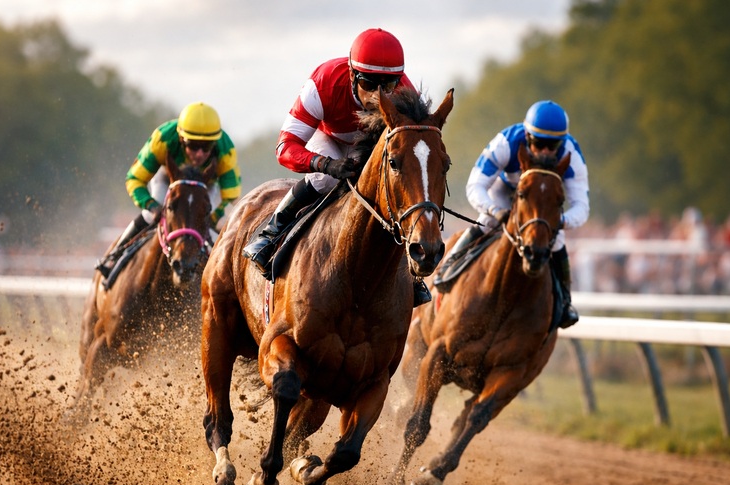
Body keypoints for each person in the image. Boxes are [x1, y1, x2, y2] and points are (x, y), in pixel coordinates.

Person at [242, 28, 432, 306]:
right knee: (324, 181)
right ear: (353, 75)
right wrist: (326, 164)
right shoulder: (323, 83)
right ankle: (272, 233)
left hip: (373, 145)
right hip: (329, 138)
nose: (379, 95)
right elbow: (285, 147)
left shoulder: (405, 92)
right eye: (369, 83)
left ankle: (410, 275)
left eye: (388, 85)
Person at [438, 100, 589, 328]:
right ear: (528, 137)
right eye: (540, 144)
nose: (547, 152)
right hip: (505, 190)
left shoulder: (571, 154)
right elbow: (475, 185)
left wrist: (559, 221)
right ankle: (449, 266)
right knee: (487, 221)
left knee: (556, 238)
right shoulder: (507, 142)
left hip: (542, 202)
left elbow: (582, 206)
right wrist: (496, 210)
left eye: (553, 145)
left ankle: (565, 300)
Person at [95, 102, 242, 277]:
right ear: (181, 139)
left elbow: (231, 194)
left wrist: (211, 217)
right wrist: (151, 205)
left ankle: (233, 277)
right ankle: (115, 257)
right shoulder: (163, 138)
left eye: (207, 147)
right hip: (168, 178)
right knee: (150, 215)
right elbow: (135, 179)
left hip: (205, 186)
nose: (200, 153)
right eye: (194, 145)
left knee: (218, 224)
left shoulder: (225, 148)